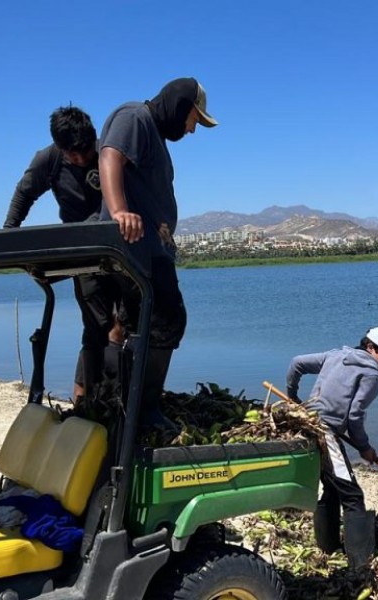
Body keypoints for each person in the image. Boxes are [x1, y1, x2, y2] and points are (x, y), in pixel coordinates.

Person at [98, 77, 218, 430]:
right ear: (180, 107)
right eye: (194, 119)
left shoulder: (153, 134)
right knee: (167, 320)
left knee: (141, 326)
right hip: (139, 252)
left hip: (152, 251)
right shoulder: (134, 117)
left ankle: (124, 401)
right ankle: (143, 410)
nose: (192, 129)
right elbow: (110, 156)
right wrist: (119, 211)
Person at [3, 106, 119, 399]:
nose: (80, 159)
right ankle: (82, 398)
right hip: (83, 255)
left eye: (83, 151)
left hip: (117, 248)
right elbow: (24, 193)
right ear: (59, 147)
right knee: (96, 328)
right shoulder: (50, 160)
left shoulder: (106, 151)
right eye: (72, 154)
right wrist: (9, 233)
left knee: (126, 323)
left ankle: (118, 391)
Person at [285, 326, 378, 570]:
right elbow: (355, 416)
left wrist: (293, 398)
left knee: (332, 486)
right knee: (353, 495)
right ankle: (360, 563)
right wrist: (364, 448)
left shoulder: (335, 356)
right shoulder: (371, 376)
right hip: (326, 431)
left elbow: (296, 363)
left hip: (307, 424)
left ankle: (328, 547)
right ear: (371, 348)